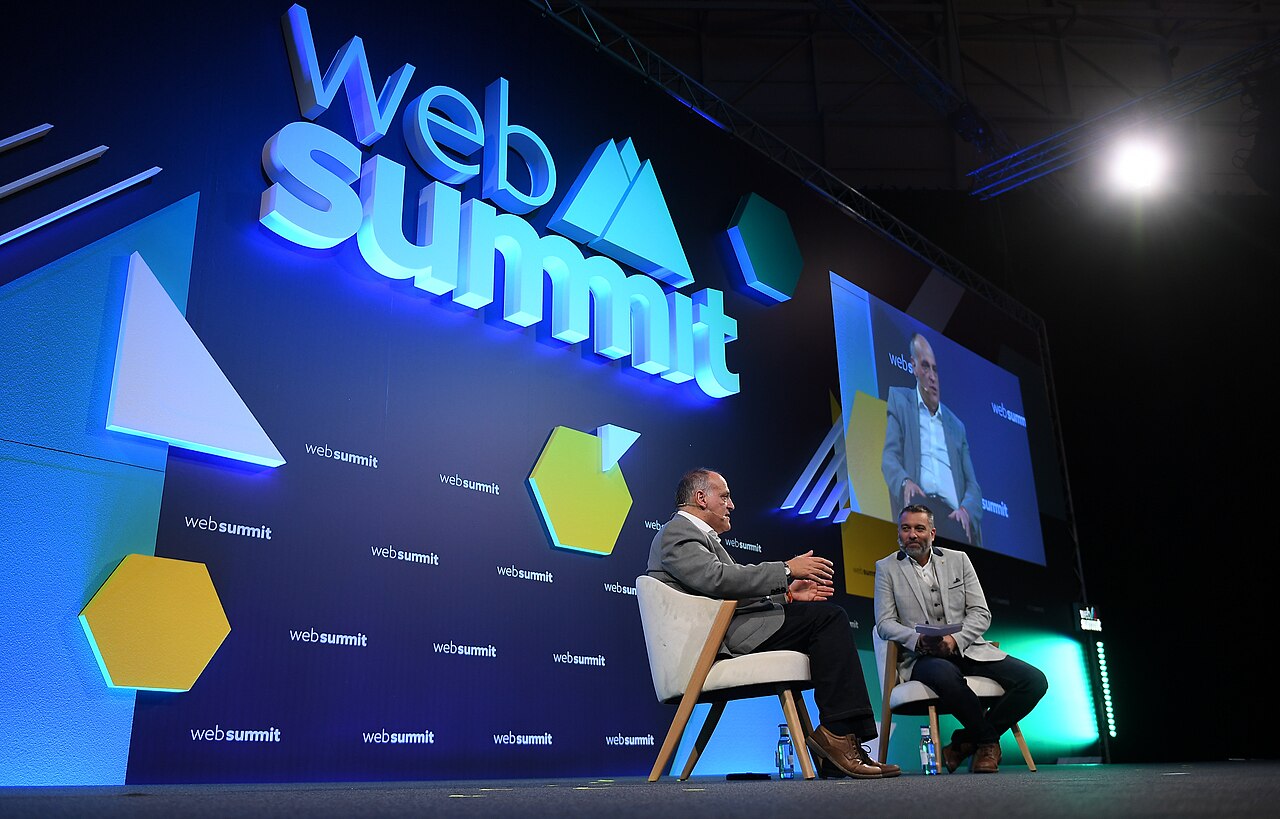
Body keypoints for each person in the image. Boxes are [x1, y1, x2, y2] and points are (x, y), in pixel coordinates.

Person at [647, 468, 900, 779]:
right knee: (828, 619)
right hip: (718, 640)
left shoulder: (696, 536)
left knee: (826, 621)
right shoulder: (678, 532)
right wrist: (787, 570)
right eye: (724, 496)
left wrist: (787, 595)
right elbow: (718, 580)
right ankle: (836, 736)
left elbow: (726, 592)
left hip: (729, 628)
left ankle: (841, 739)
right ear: (701, 498)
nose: (731, 505)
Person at [873, 504, 1047, 774]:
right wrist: (918, 639)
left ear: (932, 533)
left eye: (919, 528)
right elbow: (884, 623)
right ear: (899, 533)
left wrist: (956, 640)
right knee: (945, 674)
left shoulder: (959, 560)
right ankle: (987, 743)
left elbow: (981, 613)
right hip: (923, 657)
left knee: (1034, 681)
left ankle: (963, 743)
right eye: (906, 528)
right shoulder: (887, 567)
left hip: (967, 648)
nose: (912, 534)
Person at [881, 332, 983, 546]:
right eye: (925, 367)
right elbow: (889, 458)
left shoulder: (956, 426)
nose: (932, 376)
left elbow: (973, 485)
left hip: (952, 516)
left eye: (935, 369)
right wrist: (905, 481)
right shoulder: (900, 401)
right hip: (920, 505)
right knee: (915, 515)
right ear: (913, 366)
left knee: (959, 535)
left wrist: (965, 510)